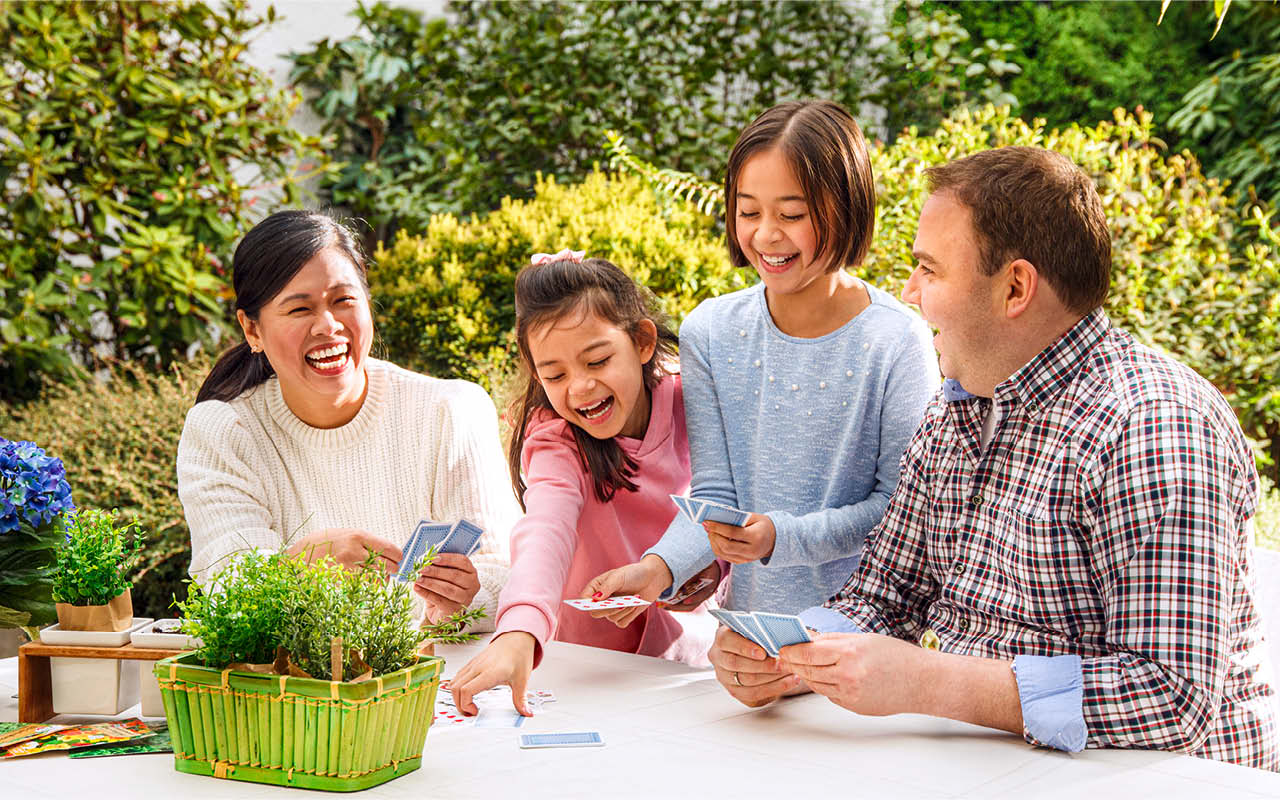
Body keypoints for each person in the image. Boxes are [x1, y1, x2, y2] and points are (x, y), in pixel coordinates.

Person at [753, 146, 1276, 770]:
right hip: (987, 769)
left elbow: (1170, 698)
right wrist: (786, 655)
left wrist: (929, 682)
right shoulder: (957, 409)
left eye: (929, 269)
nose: (909, 291)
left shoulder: (1154, 426)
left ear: (1016, 288)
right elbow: (887, 594)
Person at [585, 100, 938, 700]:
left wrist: (782, 537)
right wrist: (659, 568)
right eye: (748, 212)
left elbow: (907, 514)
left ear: (845, 208)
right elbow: (719, 500)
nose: (765, 235)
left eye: (792, 214)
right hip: (748, 650)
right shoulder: (711, 332)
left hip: (867, 653)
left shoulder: (898, 340)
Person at [177, 210, 517, 630]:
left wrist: (468, 598)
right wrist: (299, 565)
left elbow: (509, 574)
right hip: (295, 689)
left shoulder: (452, 410)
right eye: (299, 309)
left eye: (343, 300)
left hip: (442, 683)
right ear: (252, 330)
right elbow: (223, 589)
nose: (328, 325)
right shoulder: (224, 431)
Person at [449, 252, 718, 716]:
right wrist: (518, 633)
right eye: (555, 375)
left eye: (597, 361)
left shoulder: (692, 401)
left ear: (642, 342)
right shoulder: (555, 438)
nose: (579, 387)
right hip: (588, 669)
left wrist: (707, 572)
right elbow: (545, 532)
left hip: (683, 664)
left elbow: (722, 505)